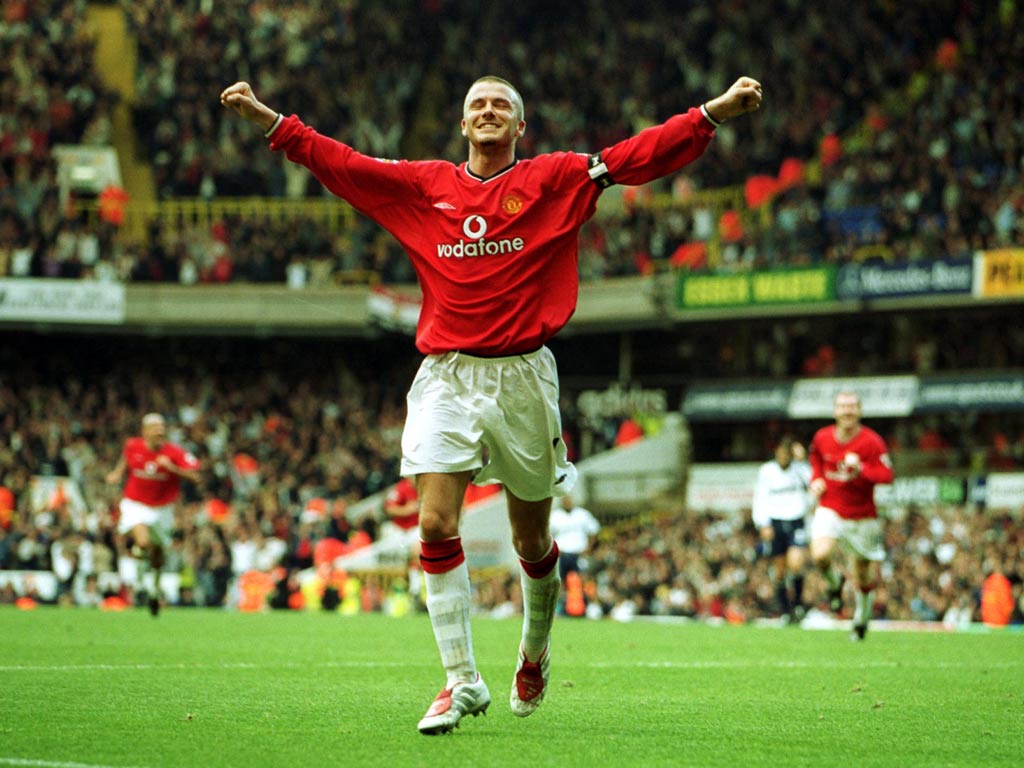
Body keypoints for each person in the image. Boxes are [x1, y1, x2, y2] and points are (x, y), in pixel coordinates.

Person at [221, 72, 762, 734]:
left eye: (501, 105)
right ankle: (460, 681)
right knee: (435, 526)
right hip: (446, 376)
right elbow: (344, 165)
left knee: (530, 539)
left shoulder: (554, 179)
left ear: (518, 127)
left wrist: (712, 113)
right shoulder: (425, 186)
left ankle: (534, 654)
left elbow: (635, 156)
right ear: (462, 123)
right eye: (477, 103)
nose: (487, 111)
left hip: (525, 379)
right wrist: (271, 122)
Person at [808, 391, 894, 641]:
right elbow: (816, 462)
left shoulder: (872, 441)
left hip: (862, 516)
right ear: (835, 411)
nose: (847, 411)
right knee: (820, 554)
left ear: (859, 410)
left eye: (852, 406)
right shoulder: (822, 437)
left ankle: (861, 619)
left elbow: (886, 476)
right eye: (842, 406)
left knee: (862, 574)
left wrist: (861, 468)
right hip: (830, 507)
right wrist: (816, 480)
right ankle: (835, 585)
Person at [106, 413, 201, 616]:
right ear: (145, 431)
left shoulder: (175, 453)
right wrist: (117, 473)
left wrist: (173, 468)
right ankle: (140, 571)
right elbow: (126, 458)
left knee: (158, 556)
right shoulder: (133, 445)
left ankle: (153, 590)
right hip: (135, 504)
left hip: (162, 510)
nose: (160, 430)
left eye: (162, 426)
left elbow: (196, 477)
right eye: (155, 427)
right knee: (142, 542)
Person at [752, 436, 811, 623]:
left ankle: (799, 603)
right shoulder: (767, 471)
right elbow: (760, 497)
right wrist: (763, 523)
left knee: (796, 564)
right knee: (779, 570)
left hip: (796, 521)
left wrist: (803, 461)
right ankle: (785, 609)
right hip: (776, 523)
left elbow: (813, 482)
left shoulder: (800, 469)